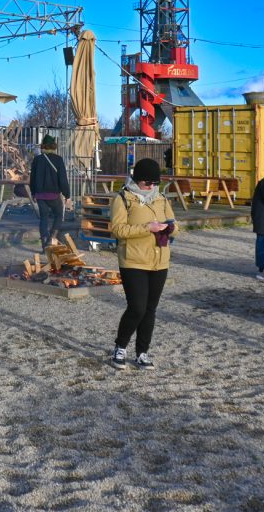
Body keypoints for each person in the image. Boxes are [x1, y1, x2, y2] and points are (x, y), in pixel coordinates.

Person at [109, 158, 177, 371]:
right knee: (137, 308)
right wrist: (148, 228)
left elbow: (175, 224)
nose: (151, 186)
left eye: (155, 183)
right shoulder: (123, 198)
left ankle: (142, 352)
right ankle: (120, 347)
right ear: (137, 180)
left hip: (159, 260)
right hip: (133, 260)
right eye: (148, 183)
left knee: (150, 309)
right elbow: (118, 230)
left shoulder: (161, 198)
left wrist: (169, 228)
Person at [29, 135, 71, 249]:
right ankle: (51, 239)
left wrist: (33, 193)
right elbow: (63, 179)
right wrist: (67, 195)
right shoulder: (58, 159)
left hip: (40, 195)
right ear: (54, 146)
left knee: (43, 219)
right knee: (59, 216)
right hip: (54, 195)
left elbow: (32, 178)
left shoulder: (37, 160)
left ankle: (44, 244)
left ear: (43, 146)